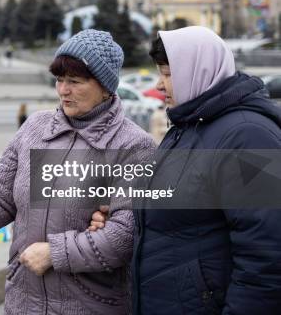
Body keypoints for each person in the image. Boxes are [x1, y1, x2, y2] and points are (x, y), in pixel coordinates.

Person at [0, 30, 156, 315]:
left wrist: (54, 253)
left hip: (90, 306)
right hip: (24, 303)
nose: (63, 90)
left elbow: (124, 236)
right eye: (59, 80)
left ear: (106, 87)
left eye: (75, 81)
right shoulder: (35, 128)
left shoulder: (134, 146)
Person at [89, 26, 281, 314]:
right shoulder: (189, 125)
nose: (160, 84)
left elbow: (267, 257)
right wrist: (128, 209)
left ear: (200, 70)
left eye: (167, 73)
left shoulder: (249, 136)